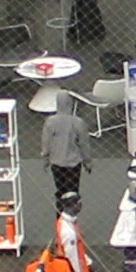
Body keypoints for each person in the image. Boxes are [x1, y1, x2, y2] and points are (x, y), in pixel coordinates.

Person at [38, 92, 90, 224]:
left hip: (56, 163)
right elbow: (84, 144)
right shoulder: (78, 122)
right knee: (73, 190)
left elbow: (46, 143)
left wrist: (45, 159)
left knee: (60, 190)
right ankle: (72, 218)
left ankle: (60, 217)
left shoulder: (50, 122)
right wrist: (87, 162)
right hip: (73, 163)